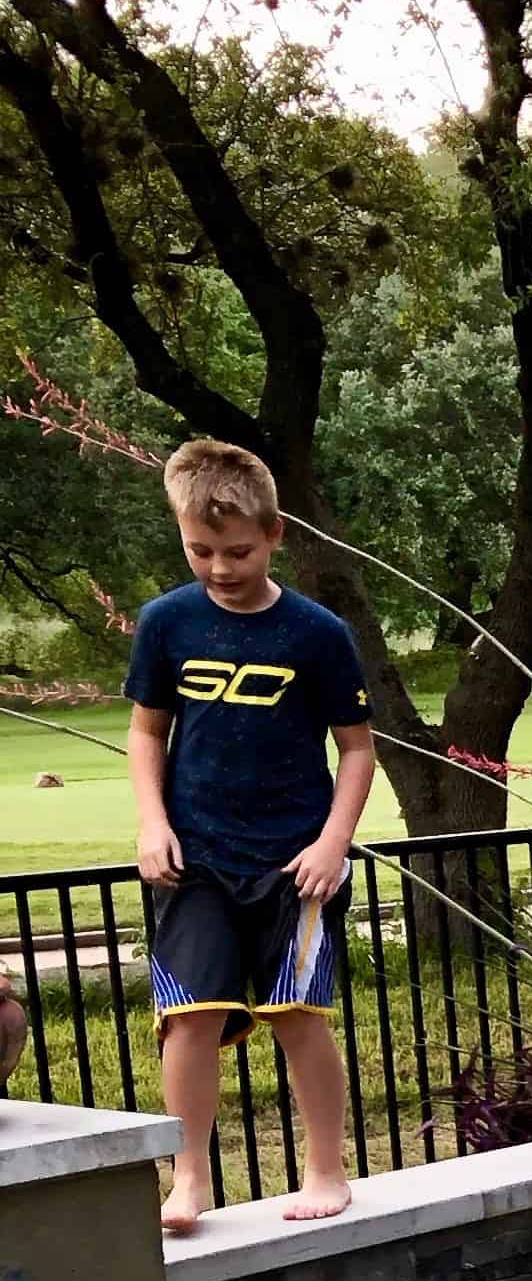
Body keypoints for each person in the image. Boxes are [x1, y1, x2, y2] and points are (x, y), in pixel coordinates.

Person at [125, 439, 374, 1232]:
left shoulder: (316, 632)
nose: (219, 567)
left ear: (274, 536)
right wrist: (153, 823)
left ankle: (327, 1170)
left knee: (298, 1014)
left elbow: (359, 748)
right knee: (190, 1015)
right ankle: (190, 1177)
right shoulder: (167, 622)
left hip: (296, 861)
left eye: (236, 551)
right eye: (200, 550)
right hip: (193, 860)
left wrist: (333, 843)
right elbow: (145, 733)